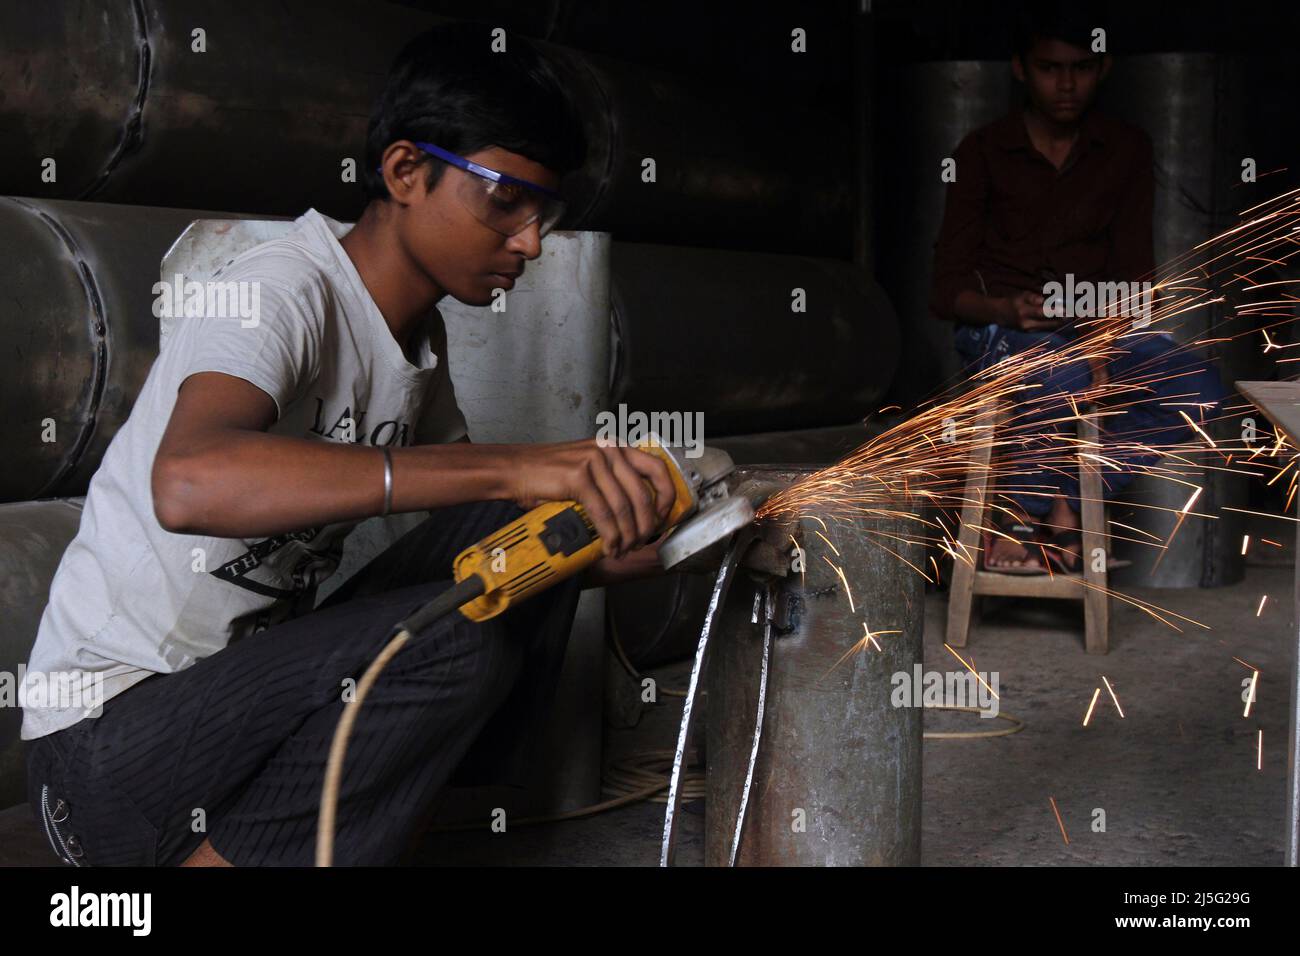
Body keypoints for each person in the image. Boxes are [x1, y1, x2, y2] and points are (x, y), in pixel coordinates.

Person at [21, 23, 675, 867]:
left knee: (525, 530)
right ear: (406, 171)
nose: (531, 242)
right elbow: (187, 482)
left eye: (543, 212)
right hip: (107, 751)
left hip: (236, 723)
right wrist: (522, 462)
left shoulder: (416, 341)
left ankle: (331, 825)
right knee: (455, 630)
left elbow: (497, 521)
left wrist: (622, 532)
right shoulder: (282, 289)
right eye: (504, 201)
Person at [929, 1, 1223, 573]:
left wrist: (1103, 344)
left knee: (1202, 389)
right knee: (1057, 371)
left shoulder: (1126, 149)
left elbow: (1142, 284)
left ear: (1104, 68)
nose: (1066, 85)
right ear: (1020, 69)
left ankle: (1062, 504)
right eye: (1049, 68)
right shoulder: (980, 153)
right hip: (998, 332)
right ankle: (1018, 522)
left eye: (1081, 69)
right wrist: (1007, 308)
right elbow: (944, 293)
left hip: (1092, 329)